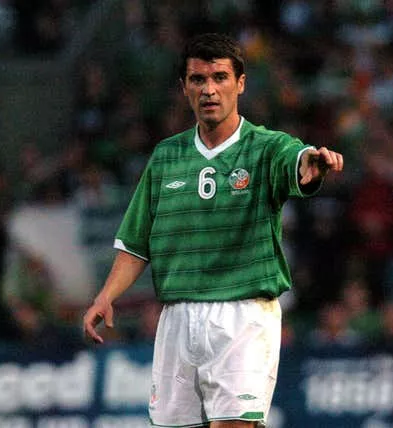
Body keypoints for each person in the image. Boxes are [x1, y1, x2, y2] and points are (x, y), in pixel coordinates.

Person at [83, 33, 344, 428]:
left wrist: (310, 162)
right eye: (198, 79)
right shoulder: (166, 156)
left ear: (240, 83)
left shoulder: (265, 147)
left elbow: (297, 160)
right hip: (177, 316)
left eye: (220, 77)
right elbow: (136, 243)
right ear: (184, 88)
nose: (209, 89)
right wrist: (106, 295)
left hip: (243, 313)